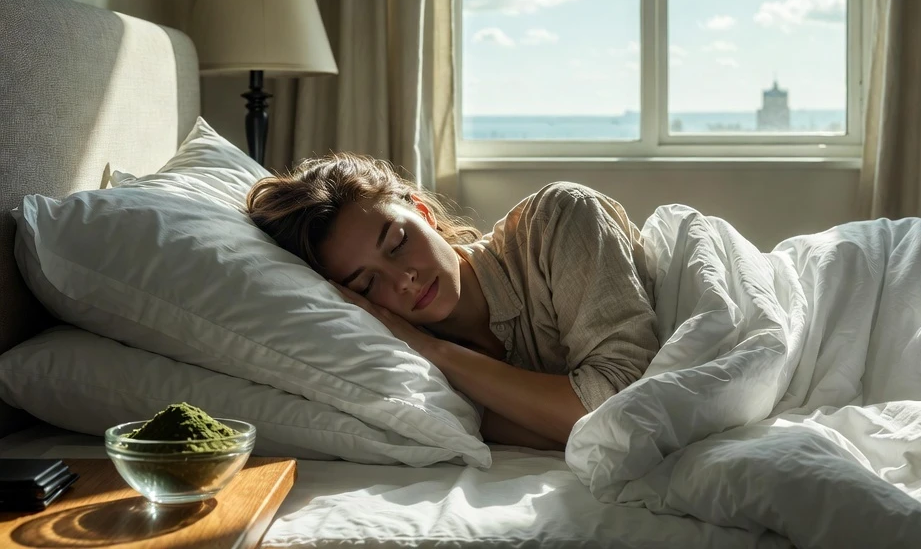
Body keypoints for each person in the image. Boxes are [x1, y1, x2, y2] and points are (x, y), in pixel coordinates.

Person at [245, 154, 660, 451]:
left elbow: (622, 408)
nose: (403, 280)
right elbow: (593, 428)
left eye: (398, 243)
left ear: (423, 211)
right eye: (369, 284)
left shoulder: (556, 219)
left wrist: (435, 350)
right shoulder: (405, 372)